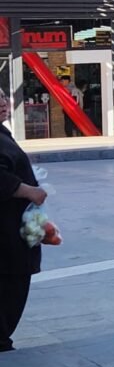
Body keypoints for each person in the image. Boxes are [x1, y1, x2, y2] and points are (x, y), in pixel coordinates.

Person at [0, 89, 49, 352]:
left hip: (13, 226)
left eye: (2, 97)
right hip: (6, 233)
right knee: (10, 285)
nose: (2, 103)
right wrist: (28, 190)